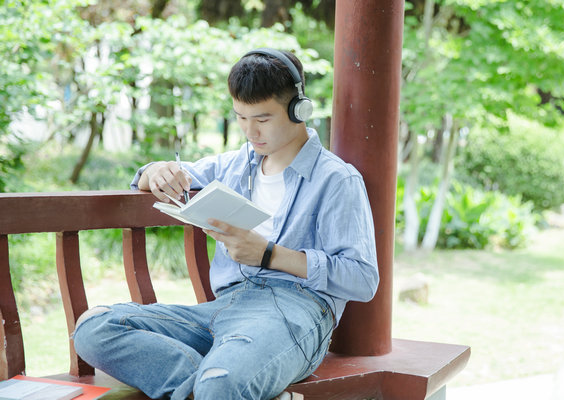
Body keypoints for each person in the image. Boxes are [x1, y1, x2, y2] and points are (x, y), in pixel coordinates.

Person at [72, 48, 379, 400]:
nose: (250, 131)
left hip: (295, 313)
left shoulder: (336, 179)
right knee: (94, 328)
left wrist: (268, 255)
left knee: (221, 385)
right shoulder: (234, 165)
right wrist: (155, 172)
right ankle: (226, 384)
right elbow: (163, 176)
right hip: (222, 308)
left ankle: (223, 381)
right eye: (240, 117)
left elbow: (363, 278)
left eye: (262, 119)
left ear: (299, 109)